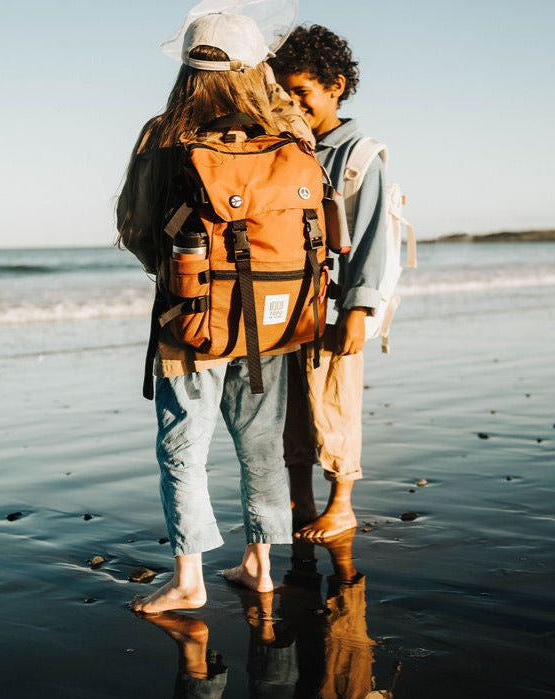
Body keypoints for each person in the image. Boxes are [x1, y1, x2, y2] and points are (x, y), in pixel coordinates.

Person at [117, 11, 311, 615]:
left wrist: (172, 269)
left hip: (189, 316)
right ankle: (261, 565)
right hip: (275, 316)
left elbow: (133, 224)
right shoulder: (290, 129)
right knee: (261, 442)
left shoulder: (165, 133)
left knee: (184, 448)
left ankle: (189, 579)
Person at [269, 25, 388, 540]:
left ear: (335, 86)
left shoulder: (359, 154)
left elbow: (371, 237)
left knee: (335, 400)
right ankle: (301, 497)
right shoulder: (285, 147)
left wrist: (360, 310)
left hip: (339, 306)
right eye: (283, 94)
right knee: (291, 404)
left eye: (302, 92)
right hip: (289, 304)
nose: (293, 104)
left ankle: (342, 502)